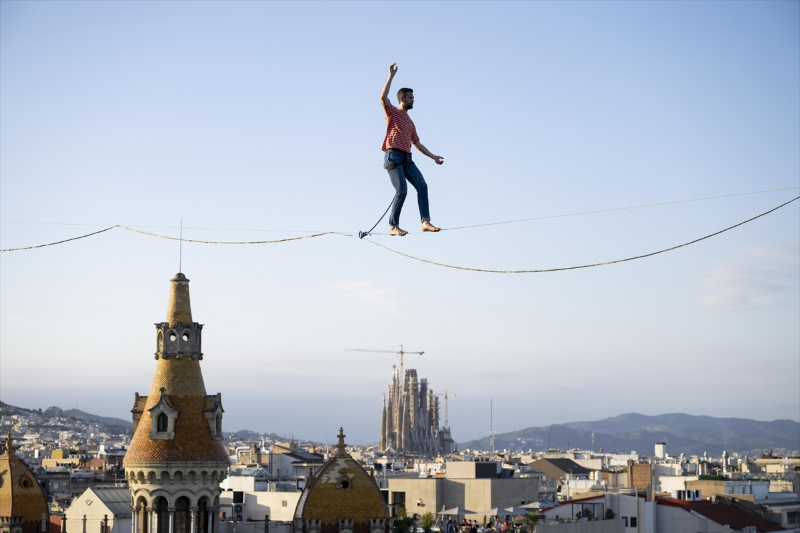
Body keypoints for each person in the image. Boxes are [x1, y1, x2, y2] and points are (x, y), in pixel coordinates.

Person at [380, 63, 444, 236]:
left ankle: (425, 222)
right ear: (402, 99)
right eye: (410, 98)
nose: (413, 100)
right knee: (402, 191)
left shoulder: (410, 122)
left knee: (422, 186)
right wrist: (391, 77)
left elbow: (417, 143)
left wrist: (432, 157)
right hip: (393, 156)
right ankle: (393, 226)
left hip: (407, 159)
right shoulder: (392, 112)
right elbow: (382, 97)